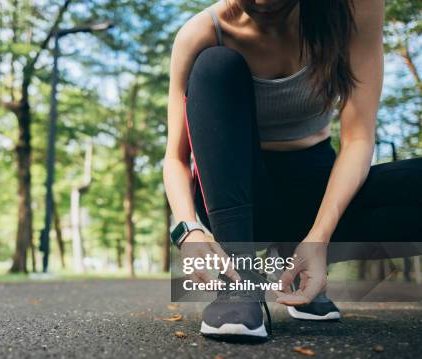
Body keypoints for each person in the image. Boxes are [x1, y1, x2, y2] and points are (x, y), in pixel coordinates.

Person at [164, 0, 422, 341]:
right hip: (239, 201)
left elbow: (358, 138)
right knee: (215, 64)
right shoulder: (200, 32)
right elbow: (176, 158)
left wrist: (318, 238)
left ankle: (296, 258)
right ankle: (240, 281)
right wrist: (188, 231)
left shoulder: (355, 6)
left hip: (318, 193)